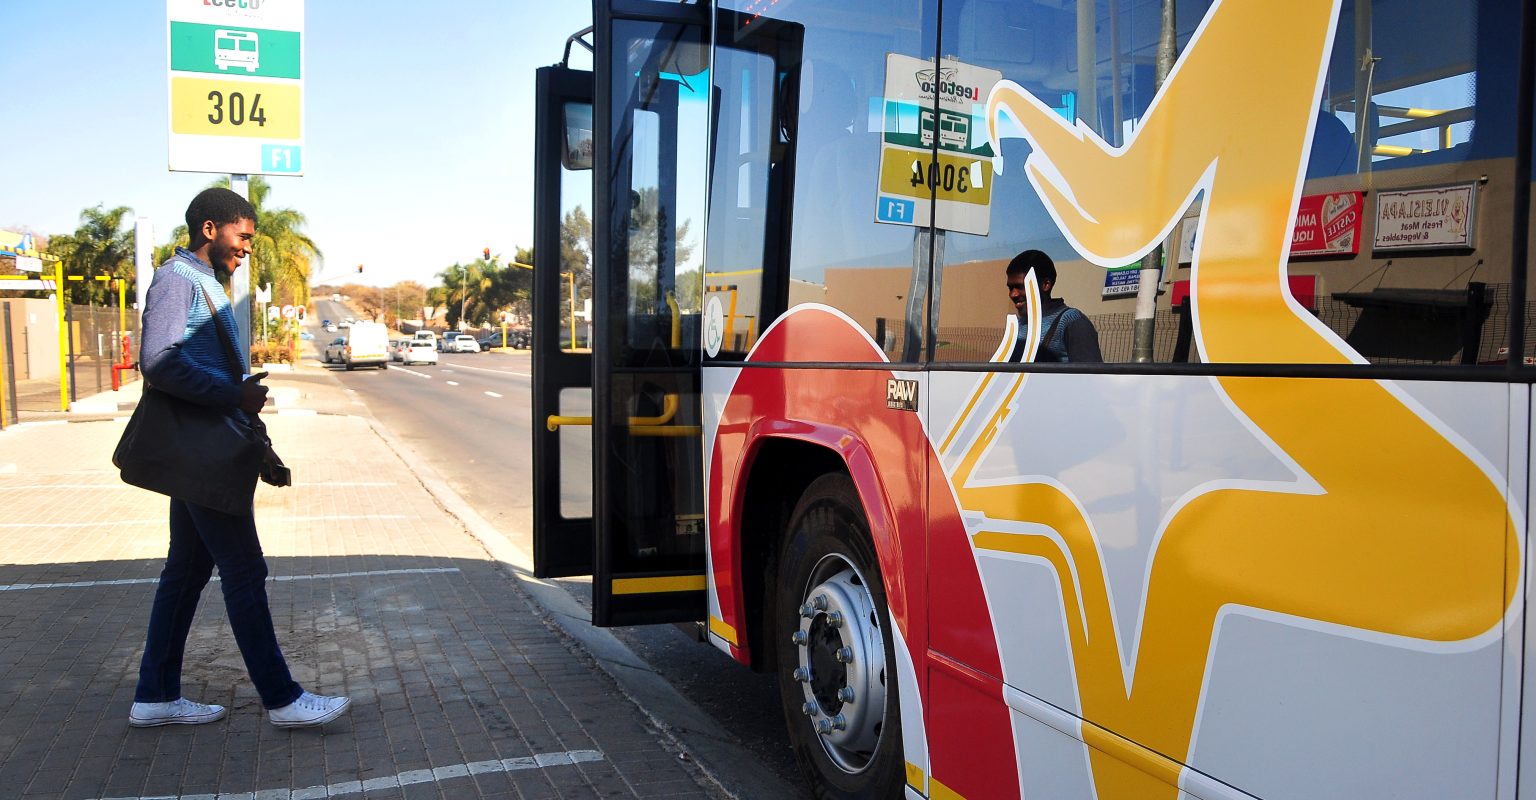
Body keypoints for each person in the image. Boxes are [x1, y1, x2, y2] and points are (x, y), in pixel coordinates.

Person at [129, 187, 351, 729]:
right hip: (201, 452)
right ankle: (283, 699)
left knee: (185, 570)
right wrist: (234, 395)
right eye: (242, 236)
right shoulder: (177, 280)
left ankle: (155, 696)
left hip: (207, 446)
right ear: (210, 229)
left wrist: (236, 388)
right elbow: (157, 363)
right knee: (245, 569)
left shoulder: (203, 282)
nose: (248, 247)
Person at [1005, 249, 1102, 363]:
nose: (1013, 294)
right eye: (1010, 288)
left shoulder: (1072, 322)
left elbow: (1090, 377)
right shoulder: (1018, 326)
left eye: (1020, 286)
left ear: (1046, 284)